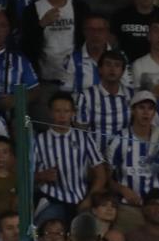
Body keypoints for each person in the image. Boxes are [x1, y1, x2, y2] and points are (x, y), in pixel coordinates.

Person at [33, 91, 106, 222]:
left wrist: (89, 199)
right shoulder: (38, 140)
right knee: (43, 233)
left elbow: (101, 174)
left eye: (66, 111)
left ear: (73, 113)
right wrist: (40, 176)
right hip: (52, 200)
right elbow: (24, 175)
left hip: (82, 200)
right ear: (50, 113)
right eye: (57, 111)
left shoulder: (84, 138)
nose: (62, 116)